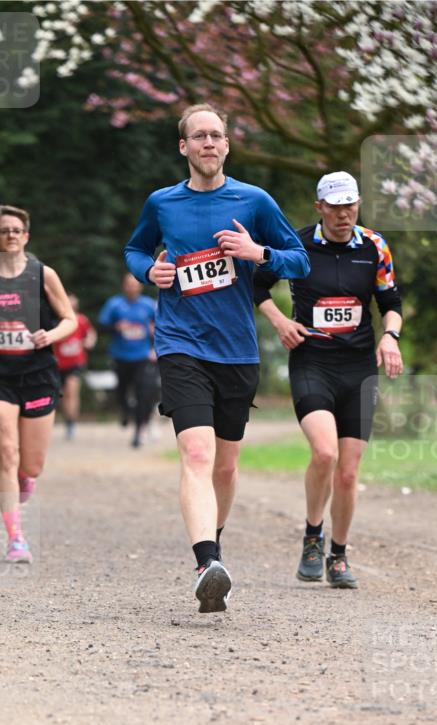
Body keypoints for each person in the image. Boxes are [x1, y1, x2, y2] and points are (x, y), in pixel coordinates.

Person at [124, 102, 309, 612]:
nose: (208, 142)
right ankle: (206, 563)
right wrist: (149, 272)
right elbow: (135, 250)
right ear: (183, 146)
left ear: (227, 144)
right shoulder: (162, 203)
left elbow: (300, 260)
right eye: (199, 136)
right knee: (198, 455)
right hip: (180, 344)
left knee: (225, 468)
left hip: (236, 351)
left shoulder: (254, 201)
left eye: (216, 135)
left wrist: (258, 253)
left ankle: (215, 543)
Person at [254, 171, 403, 589]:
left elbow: (391, 301)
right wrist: (281, 321)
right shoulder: (296, 244)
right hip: (312, 363)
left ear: (358, 205)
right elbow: (257, 286)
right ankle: (312, 536)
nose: (343, 214)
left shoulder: (375, 246)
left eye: (349, 205)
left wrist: (390, 336)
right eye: (335, 207)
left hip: (358, 368)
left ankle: (338, 555)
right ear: (320, 207)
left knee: (349, 473)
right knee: (324, 453)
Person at [0, 205, 76, 563]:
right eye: (4, 230)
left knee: (31, 465)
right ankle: (16, 538)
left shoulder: (43, 275)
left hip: (38, 374)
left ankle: (26, 476)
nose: (11, 235)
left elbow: (69, 319)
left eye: (16, 230)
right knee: (7, 452)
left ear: (26, 236)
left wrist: (49, 335)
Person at [98, 273, 157, 448]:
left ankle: (138, 432)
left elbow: (160, 326)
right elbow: (101, 326)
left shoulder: (148, 305)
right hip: (120, 356)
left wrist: (154, 345)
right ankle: (125, 411)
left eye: (135, 284)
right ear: (124, 286)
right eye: (129, 284)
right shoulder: (114, 304)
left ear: (140, 286)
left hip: (142, 356)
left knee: (142, 393)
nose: (132, 287)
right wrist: (116, 327)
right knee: (122, 391)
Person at [53, 293, 97, 440]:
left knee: (71, 392)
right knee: (60, 396)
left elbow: (90, 334)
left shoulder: (81, 320)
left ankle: (71, 423)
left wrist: (89, 341)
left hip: (76, 363)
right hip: (57, 364)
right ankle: (65, 418)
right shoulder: (56, 321)